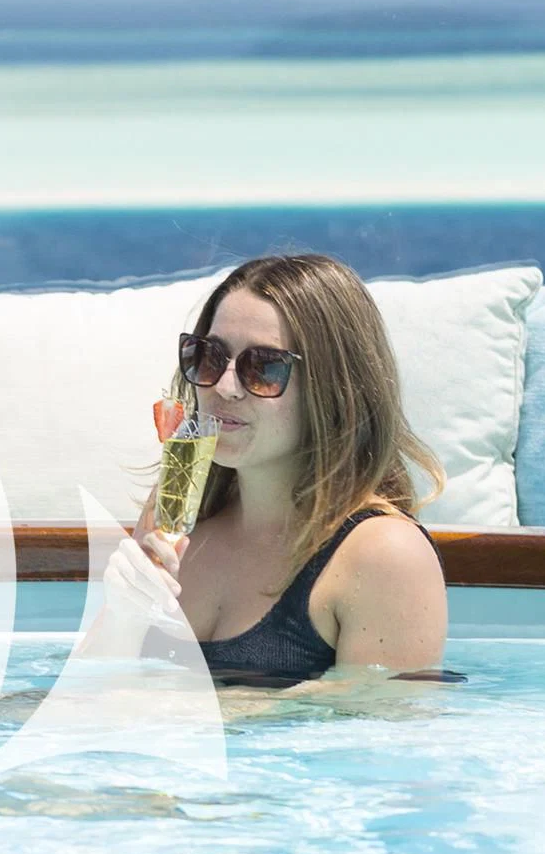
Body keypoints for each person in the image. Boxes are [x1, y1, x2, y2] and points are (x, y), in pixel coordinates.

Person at [135, 251, 447, 683]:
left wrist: (172, 706)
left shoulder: (385, 554)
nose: (225, 387)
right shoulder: (177, 516)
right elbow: (90, 684)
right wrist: (119, 611)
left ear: (334, 390)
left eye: (263, 367)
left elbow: (388, 717)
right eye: (210, 356)